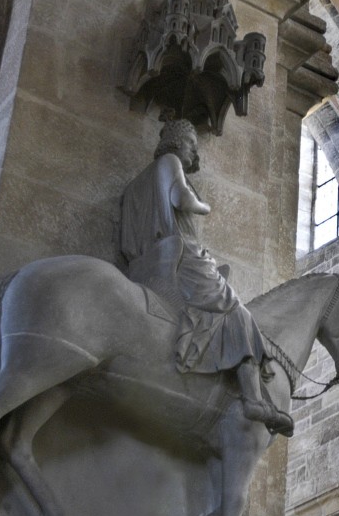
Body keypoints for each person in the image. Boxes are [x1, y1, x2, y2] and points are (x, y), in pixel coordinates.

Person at [120, 118, 293, 436]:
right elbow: (182, 200)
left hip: (147, 265)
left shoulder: (137, 185)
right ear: (177, 142)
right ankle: (253, 398)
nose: (192, 152)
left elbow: (128, 241)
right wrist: (205, 205)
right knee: (237, 311)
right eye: (191, 145)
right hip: (182, 257)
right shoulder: (169, 162)